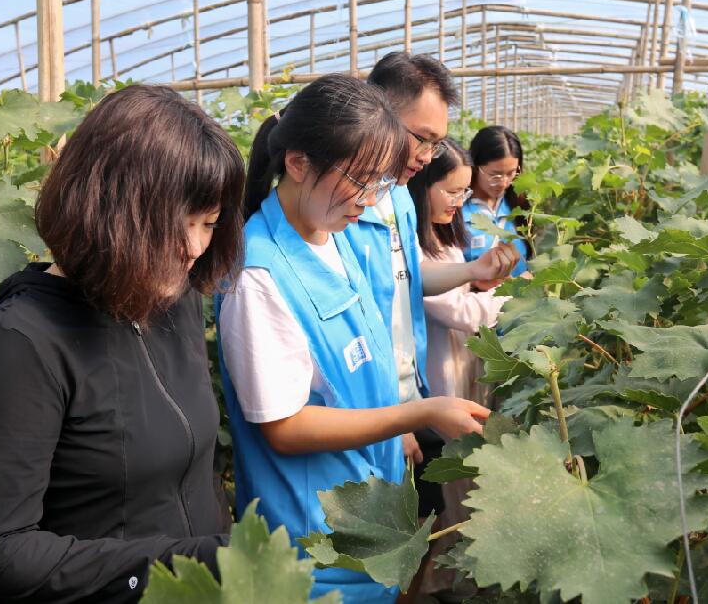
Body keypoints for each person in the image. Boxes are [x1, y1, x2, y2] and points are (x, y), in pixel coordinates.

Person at [0, 85, 244, 603]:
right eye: (181, 224)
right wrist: (182, 564)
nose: (196, 247)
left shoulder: (173, 300)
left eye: (210, 224)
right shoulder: (19, 345)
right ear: (111, 211)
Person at [217, 75, 492, 604]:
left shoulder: (335, 236)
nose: (369, 200)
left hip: (366, 514)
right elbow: (284, 427)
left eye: (380, 183)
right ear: (298, 163)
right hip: (315, 545)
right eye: (360, 181)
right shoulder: (260, 276)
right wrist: (416, 413)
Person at [344, 51, 519, 472]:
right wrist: (393, 418)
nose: (427, 155)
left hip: (410, 394)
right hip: (372, 410)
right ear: (377, 115)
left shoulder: (398, 198)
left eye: (437, 142)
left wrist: (472, 271)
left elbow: (407, 278)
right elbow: (356, 329)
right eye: (421, 138)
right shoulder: (342, 210)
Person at [408, 138, 509, 408]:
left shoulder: (441, 233)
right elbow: (460, 313)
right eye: (452, 192)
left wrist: (475, 283)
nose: (460, 203)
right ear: (421, 186)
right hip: (439, 374)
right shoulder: (413, 249)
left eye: (464, 192)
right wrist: (510, 293)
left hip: (461, 363)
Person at [462, 125, 531, 277]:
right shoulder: (457, 211)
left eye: (511, 173)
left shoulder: (518, 206)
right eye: (495, 175)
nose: (504, 182)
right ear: (475, 166)